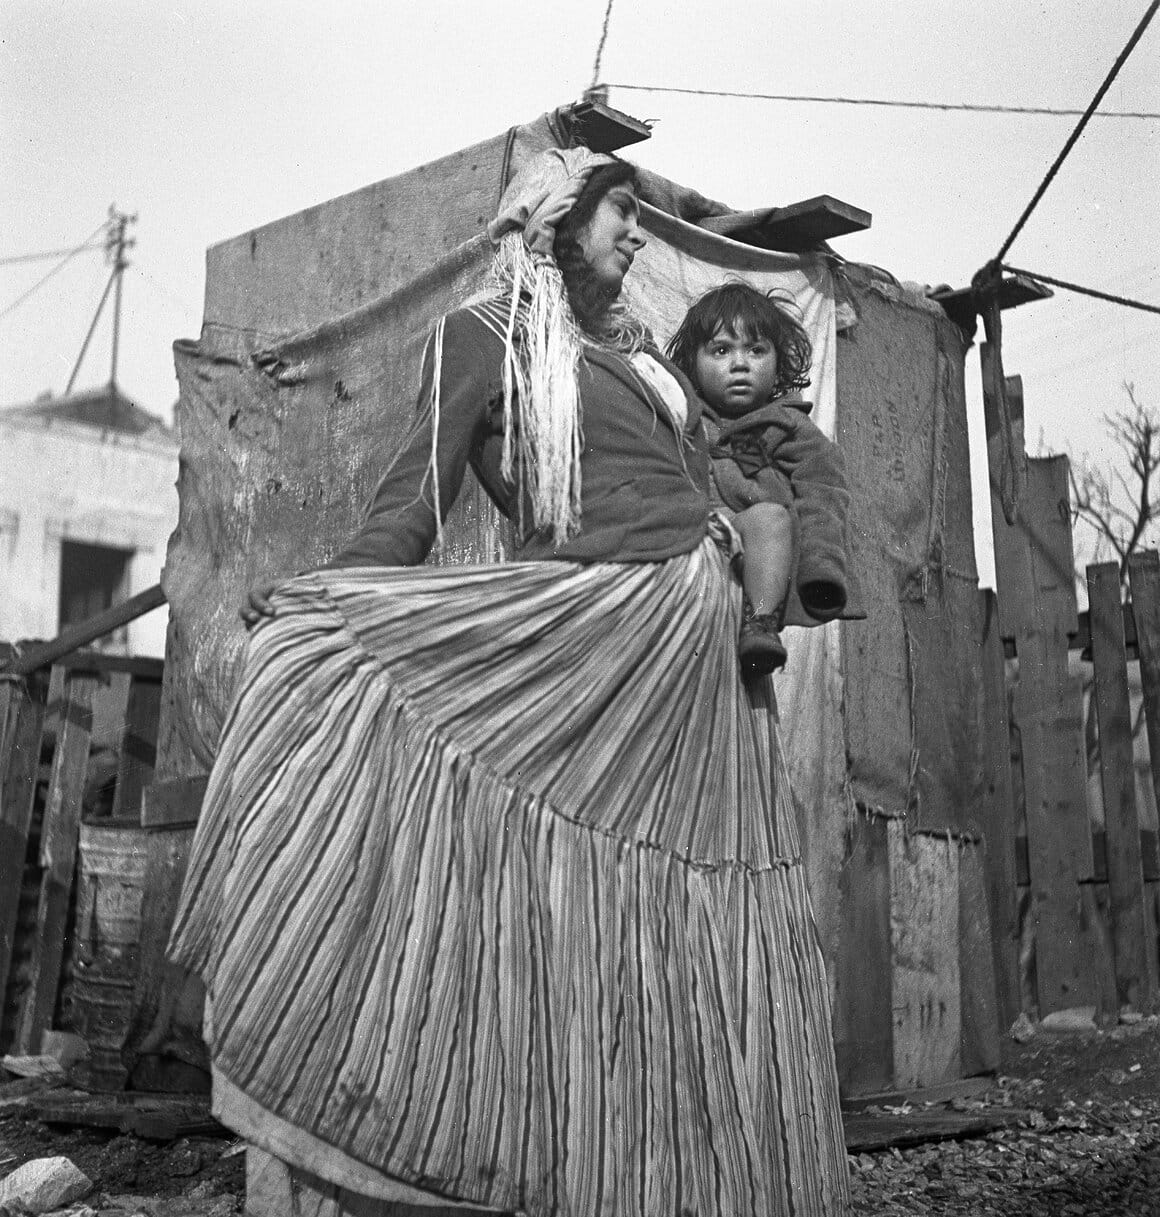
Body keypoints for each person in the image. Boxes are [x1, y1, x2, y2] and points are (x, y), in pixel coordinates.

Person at [170, 146, 851, 1217]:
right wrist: (326, 591)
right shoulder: (482, 340)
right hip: (598, 623)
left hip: (698, 651)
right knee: (559, 896)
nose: (634, 234)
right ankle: (515, 1150)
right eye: (617, 214)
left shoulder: (638, 356)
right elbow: (412, 502)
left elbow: (719, 489)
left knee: (686, 903)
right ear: (552, 221)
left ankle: (679, 1180)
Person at [667, 282, 855, 675]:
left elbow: (823, 492)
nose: (740, 363)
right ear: (692, 362)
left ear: (778, 362)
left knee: (769, 517)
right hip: (687, 542)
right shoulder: (681, 413)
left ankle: (761, 625)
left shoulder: (787, 428)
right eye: (721, 350)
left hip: (751, 546)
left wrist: (821, 566)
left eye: (756, 350)